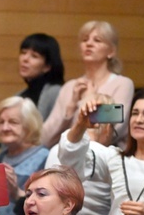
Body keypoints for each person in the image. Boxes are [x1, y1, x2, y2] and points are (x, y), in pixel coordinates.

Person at [41, 20, 134, 149]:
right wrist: (70, 108)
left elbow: (116, 124)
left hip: (106, 158)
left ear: (111, 51)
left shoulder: (122, 84)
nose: (89, 44)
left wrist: (90, 98)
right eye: (85, 40)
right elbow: (45, 137)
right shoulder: (69, 87)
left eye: (97, 40)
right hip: (69, 158)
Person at [0, 96, 51, 215]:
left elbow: (49, 208)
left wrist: (18, 193)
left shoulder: (44, 159)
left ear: (29, 125)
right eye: (0, 122)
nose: (5, 128)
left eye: (13, 122)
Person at [17, 33, 65, 120]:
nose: (25, 59)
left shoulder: (56, 93)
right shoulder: (19, 96)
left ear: (47, 66)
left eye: (34, 56)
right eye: (23, 53)